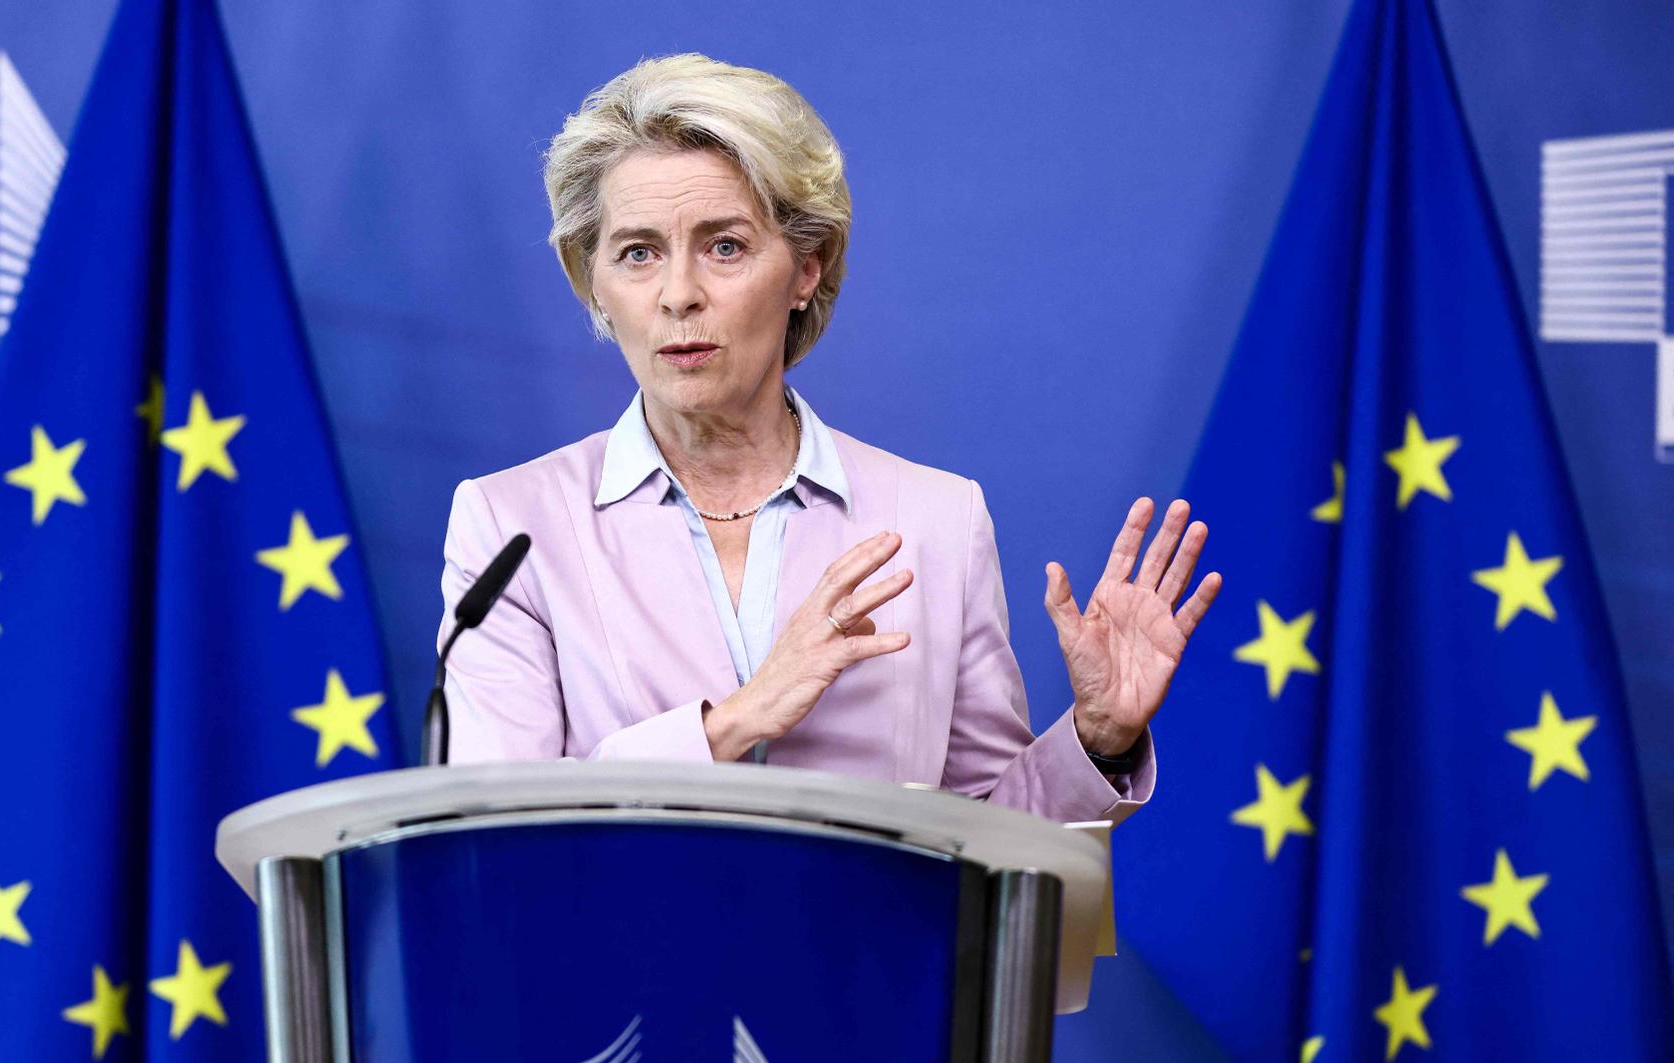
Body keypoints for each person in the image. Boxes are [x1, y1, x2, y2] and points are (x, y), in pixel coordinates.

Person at [436, 53, 1220, 825]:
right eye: (638, 253)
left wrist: (1099, 740)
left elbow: (990, 845)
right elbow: (501, 831)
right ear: (593, 282)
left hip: (873, 955)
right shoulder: (512, 525)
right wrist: (732, 723)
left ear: (807, 268)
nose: (679, 295)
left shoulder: (935, 520)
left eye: (725, 246)